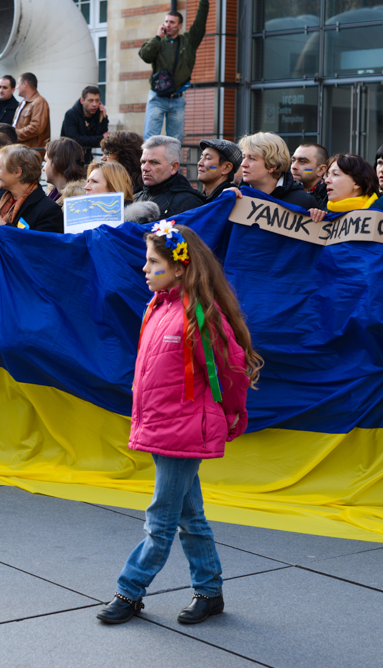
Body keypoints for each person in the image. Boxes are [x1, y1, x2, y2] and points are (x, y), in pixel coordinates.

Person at [96, 222, 261, 626]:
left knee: (161, 519)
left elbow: (232, 370)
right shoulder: (160, 307)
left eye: (153, 262)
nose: (144, 268)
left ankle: (129, 591)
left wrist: (235, 415)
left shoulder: (199, 314)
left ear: (180, 268)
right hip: (164, 427)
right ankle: (210, 590)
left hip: (184, 431)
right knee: (190, 515)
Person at [139, 1, 209, 141]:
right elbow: (145, 56)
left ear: (180, 26)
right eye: (166, 21)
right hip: (157, 97)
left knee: (175, 141)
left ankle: (173, 164)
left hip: (177, 99)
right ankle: (147, 163)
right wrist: (158, 37)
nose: (168, 25)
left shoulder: (188, 41)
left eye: (172, 22)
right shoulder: (158, 42)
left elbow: (200, 23)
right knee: (150, 139)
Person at [0, 144, 63, 232]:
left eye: (0, 168)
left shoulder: (48, 210)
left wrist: (4, 227)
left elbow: (38, 244)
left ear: (17, 172)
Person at [237, 132, 318, 209]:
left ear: (272, 165)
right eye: (243, 157)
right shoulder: (235, 196)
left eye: (252, 158)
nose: (243, 164)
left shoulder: (303, 201)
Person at [134, 135, 204, 217]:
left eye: (154, 162)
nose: (145, 168)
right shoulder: (134, 199)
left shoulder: (189, 203)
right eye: (143, 162)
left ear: (174, 167)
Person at [307, 155, 379, 222]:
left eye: (335, 174)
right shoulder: (323, 214)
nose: (326, 181)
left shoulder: (382, 216)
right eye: (328, 175)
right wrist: (312, 218)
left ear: (357, 183)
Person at [62, 86, 109, 164]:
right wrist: (100, 138)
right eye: (90, 101)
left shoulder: (97, 114)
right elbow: (74, 139)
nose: (94, 104)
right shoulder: (71, 114)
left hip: (86, 158)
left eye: (97, 101)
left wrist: (103, 117)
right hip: (70, 160)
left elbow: (101, 138)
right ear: (82, 101)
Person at [12, 73, 50, 156]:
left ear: (25, 84)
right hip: (22, 152)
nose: (17, 87)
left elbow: (36, 127)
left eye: (18, 83)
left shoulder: (39, 102)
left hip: (31, 154)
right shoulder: (23, 103)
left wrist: (14, 134)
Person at [44, 137, 87, 203]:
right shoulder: (54, 194)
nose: (43, 168)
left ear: (57, 163)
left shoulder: (75, 201)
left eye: (46, 161)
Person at [290, 143, 329, 207]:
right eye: (293, 160)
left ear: (321, 170)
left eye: (302, 161)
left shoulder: (331, 199)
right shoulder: (283, 192)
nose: (294, 166)